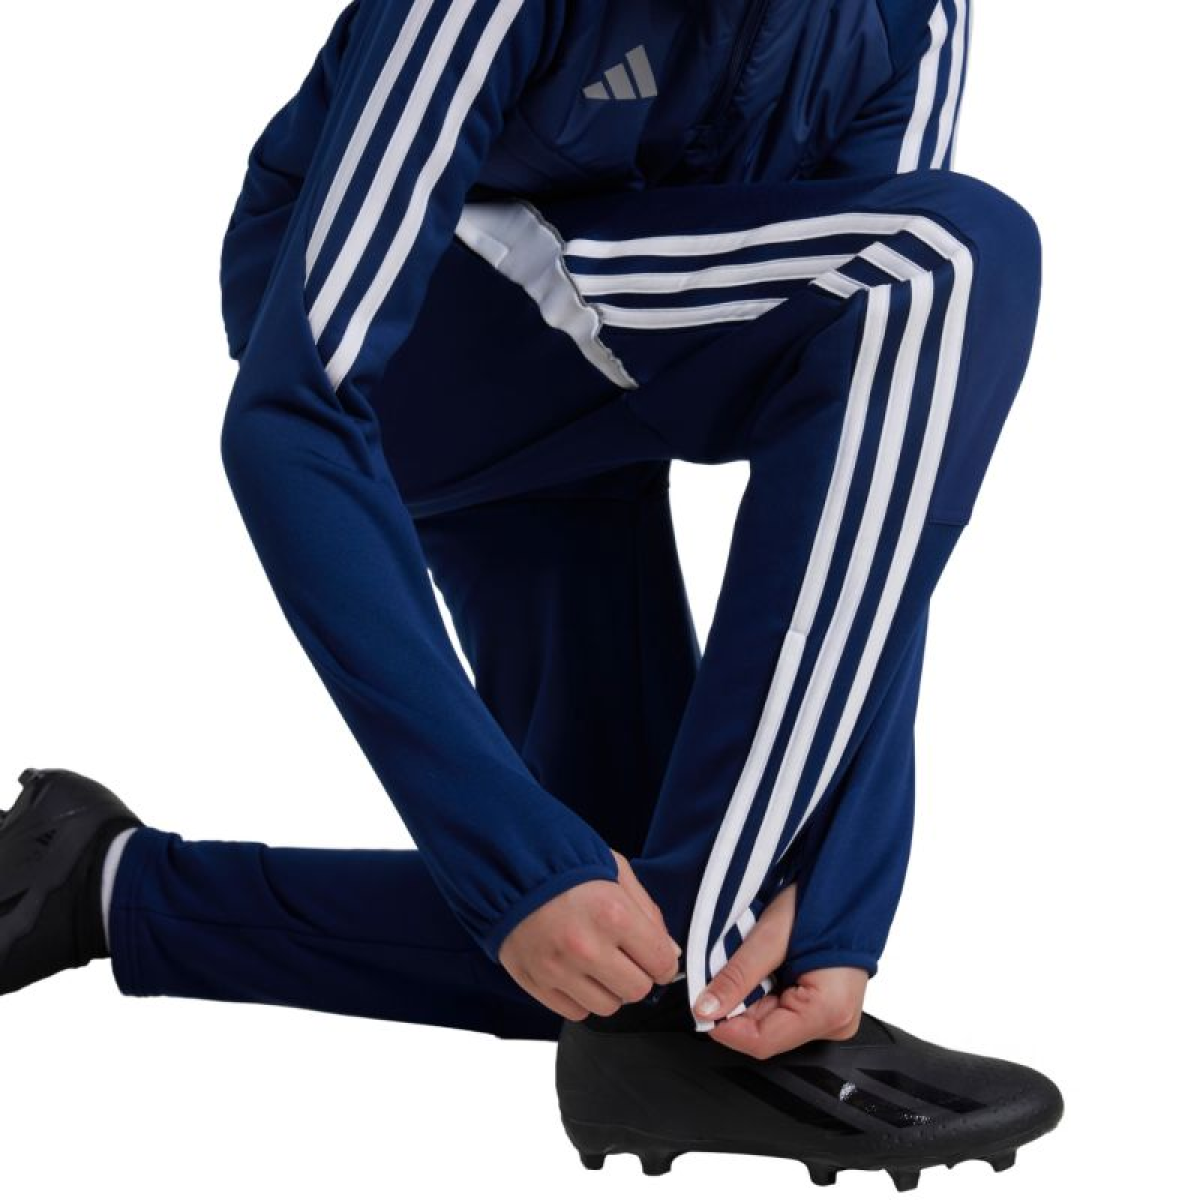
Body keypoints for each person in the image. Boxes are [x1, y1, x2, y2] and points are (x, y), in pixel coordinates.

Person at [1, 0, 1064, 1184]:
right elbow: (297, 409)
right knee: (943, 259)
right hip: (416, 341)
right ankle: (702, 993)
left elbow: (891, 476)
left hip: (600, 386)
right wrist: (505, 857)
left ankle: (93, 884)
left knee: (609, 941)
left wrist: (834, 887)